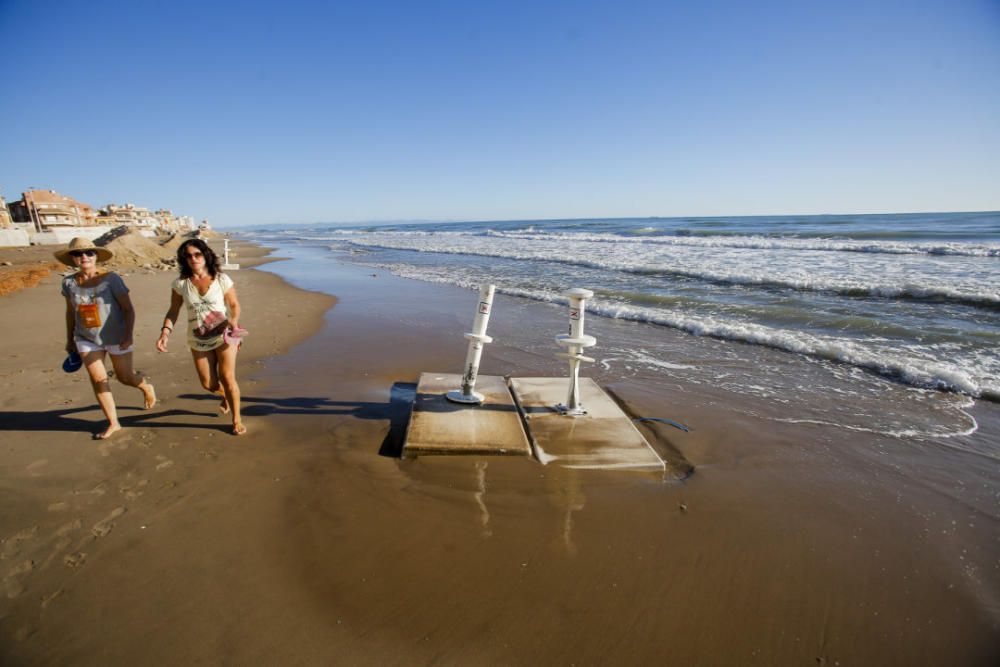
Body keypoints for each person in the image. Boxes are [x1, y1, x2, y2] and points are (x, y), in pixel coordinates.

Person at [57, 237, 156, 439]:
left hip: (116, 336)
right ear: (72, 259)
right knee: (98, 379)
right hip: (85, 338)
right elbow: (70, 313)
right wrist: (69, 340)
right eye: (78, 254)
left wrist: (128, 335)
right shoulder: (68, 283)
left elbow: (128, 309)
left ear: (96, 256)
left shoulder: (112, 279)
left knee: (125, 377)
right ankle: (113, 423)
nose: (84, 257)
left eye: (89, 253)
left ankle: (145, 386)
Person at [156, 238, 246, 435]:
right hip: (198, 336)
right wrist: (165, 332)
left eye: (197, 254)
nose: (193, 258)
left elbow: (233, 304)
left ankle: (236, 419)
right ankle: (225, 397)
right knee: (208, 384)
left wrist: (234, 319)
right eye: (188, 256)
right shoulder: (180, 284)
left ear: (205, 255)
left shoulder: (221, 279)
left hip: (224, 332)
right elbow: (173, 310)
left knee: (228, 377)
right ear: (184, 259)